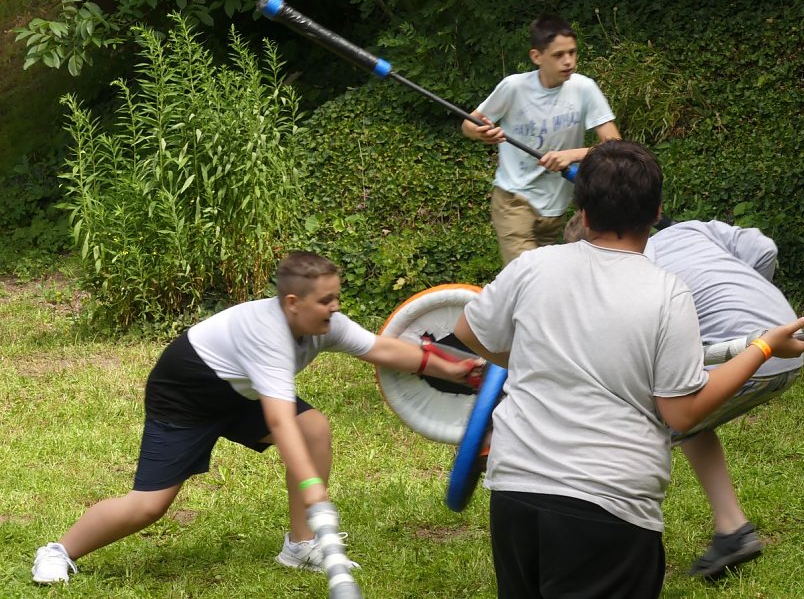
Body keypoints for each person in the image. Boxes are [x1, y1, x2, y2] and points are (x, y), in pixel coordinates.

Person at [452, 140, 804, 598]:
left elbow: (468, 330)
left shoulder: (533, 266)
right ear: (657, 211)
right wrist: (762, 347)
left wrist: (532, 360)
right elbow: (682, 414)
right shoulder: (667, 293)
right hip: (609, 505)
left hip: (516, 493)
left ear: (582, 213)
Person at [32, 251, 482, 585]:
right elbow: (280, 423)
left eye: (336, 298)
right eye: (326, 300)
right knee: (150, 504)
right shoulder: (269, 336)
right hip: (187, 393)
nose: (335, 307)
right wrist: (315, 491)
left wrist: (457, 369)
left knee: (316, 430)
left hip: (238, 388)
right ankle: (58, 551)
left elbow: (385, 350)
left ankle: (299, 544)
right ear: (292, 302)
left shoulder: (325, 323)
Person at [564, 214, 804, 578]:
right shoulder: (690, 229)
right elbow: (764, 249)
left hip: (754, 355)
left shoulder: (630, 276)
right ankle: (732, 528)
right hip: (787, 343)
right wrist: (748, 309)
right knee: (681, 409)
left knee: (628, 425)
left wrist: (736, 332)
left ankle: (609, 546)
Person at [461, 14, 621, 266]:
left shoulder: (584, 88)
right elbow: (469, 123)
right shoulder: (513, 87)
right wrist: (480, 132)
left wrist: (572, 155)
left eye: (572, 52)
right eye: (559, 55)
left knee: (541, 283)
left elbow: (615, 145)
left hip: (555, 209)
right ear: (537, 57)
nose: (568, 61)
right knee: (527, 277)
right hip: (514, 201)